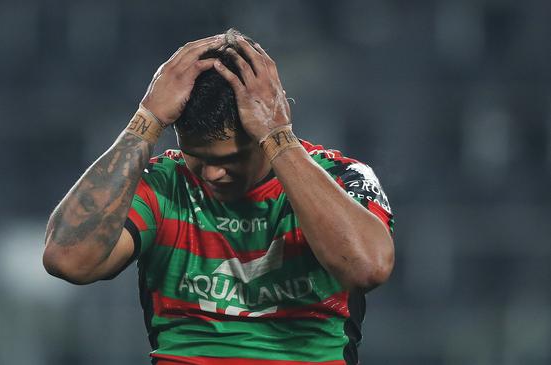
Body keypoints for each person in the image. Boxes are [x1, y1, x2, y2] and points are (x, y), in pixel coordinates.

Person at [43, 28, 395, 365]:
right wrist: (145, 120)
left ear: (264, 131)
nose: (212, 173)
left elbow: (367, 267)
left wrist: (279, 137)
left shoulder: (342, 179)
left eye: (230, 159)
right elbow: (68, 260)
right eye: (198, 156)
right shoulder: (164, 184)